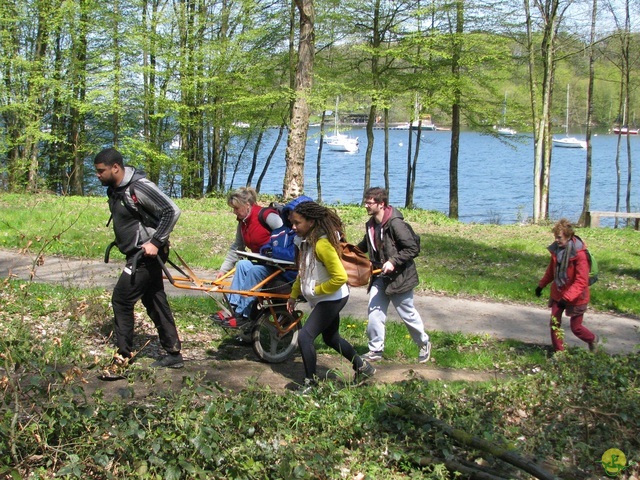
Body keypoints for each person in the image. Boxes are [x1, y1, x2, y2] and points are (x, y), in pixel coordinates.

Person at [93, 147, 184, 377]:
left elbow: (171, 210)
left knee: (122, 299)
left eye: (101, 171)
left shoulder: (139, 187)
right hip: (137, 254)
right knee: (154, 299)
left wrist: (156, 241)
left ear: (116, 168)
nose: (98, 175)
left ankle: (123, 356)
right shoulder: (115, 189)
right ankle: (173, 353)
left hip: (145, 256)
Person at [287, 201, 375, 394]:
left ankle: (310, 384)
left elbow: (340, 277)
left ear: (310, 222)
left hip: (333, 297)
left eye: (297, 223)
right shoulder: (305, 242)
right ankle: (363, 367)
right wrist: (294, 295)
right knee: (331, 338)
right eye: (292, 222)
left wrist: (316, 290)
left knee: (305, 337)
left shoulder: (322, 244)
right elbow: (303, 272)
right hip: (324, 297)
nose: (293, 227)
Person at [357, 187, 431, 363]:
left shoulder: (396, 224)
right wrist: (347, 251)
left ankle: (424, 343)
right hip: (380, 278)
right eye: (365, 202)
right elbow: (365, 246)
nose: (366, 205)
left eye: (370, 202)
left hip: (400, 278)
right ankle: (375, 350)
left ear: (381, 204)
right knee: (374, 312)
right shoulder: (371, 224)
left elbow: (412, 248)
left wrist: (393, 261)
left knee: (407, 314)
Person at [217, 187, 284, 327]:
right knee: (242, 265)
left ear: (247, 205)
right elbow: (237, 247)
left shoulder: (267, 216)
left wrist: (275, 250)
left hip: (280, 266)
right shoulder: (243, 222)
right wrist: (223, 270)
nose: (234, 212)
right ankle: (233, 308)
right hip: (262, 263)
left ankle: (243, 314)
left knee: (255, 271)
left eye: (236, 208)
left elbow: (286, 235)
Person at [536, 219, 599, 353]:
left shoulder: (580, 254)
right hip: (558, 293)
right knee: (554, 323)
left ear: (568, 236)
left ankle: (592, 339)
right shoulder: (556, 251)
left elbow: (581, 281)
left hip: (577, 297)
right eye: (555, 237)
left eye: (559, 237)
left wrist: (567, 298)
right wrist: (541, 286)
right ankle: (559, 352)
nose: (557, 240)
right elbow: (551, 272)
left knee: (576, 328)